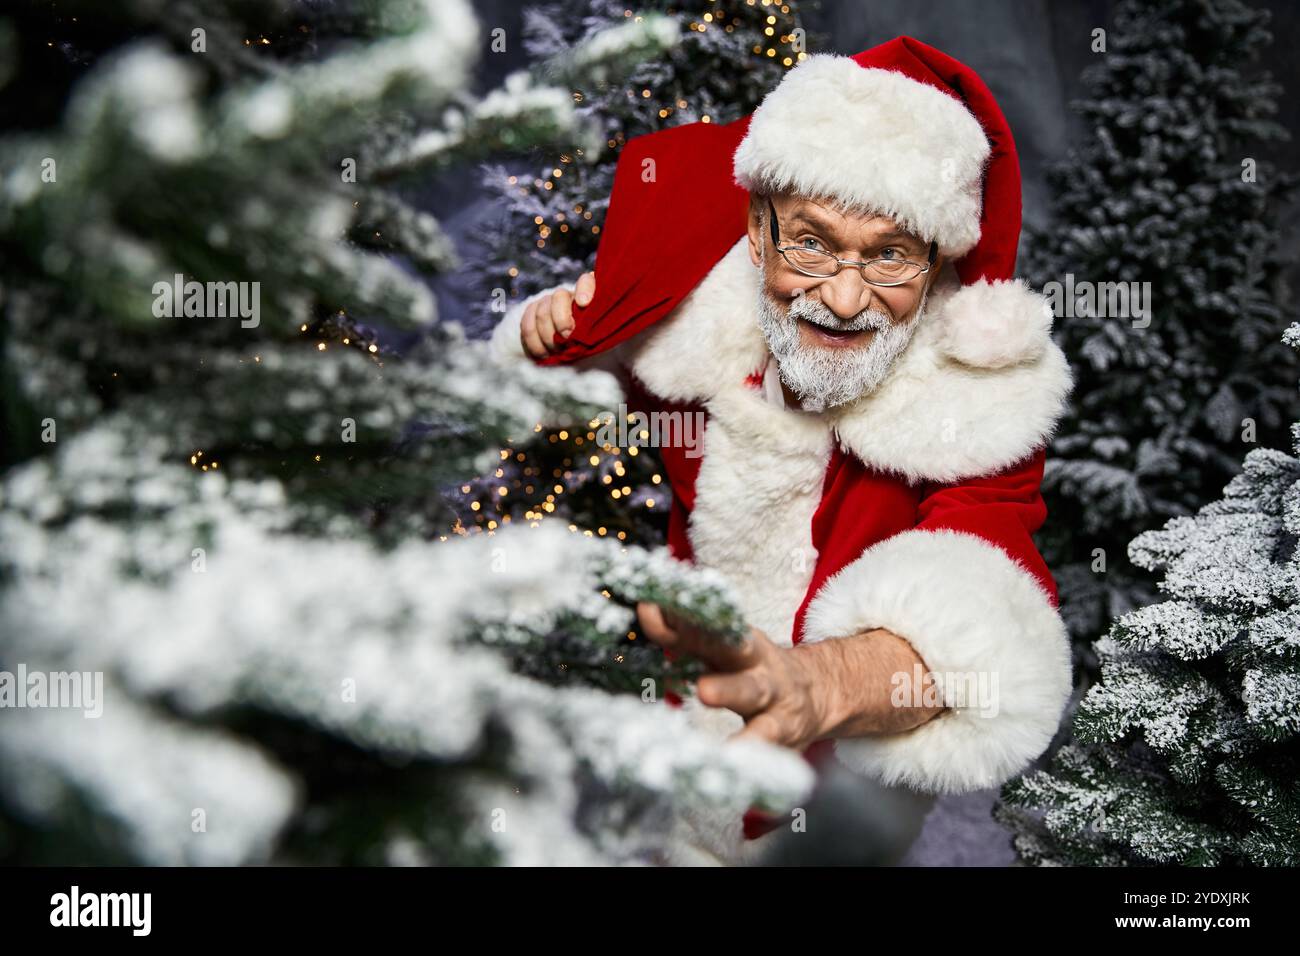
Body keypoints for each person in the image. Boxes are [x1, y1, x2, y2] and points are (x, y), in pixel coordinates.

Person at [491, 37, 1074, 865]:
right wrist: (554, 328)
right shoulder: (699, 335)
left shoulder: (975, 397)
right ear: (756, 233)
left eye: (890, 255)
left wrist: (821, 685)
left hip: (847, 791)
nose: (843, 298)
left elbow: (987, 577)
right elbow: (554, 391)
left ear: (939, 258)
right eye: (813, 241)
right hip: (689, 727)